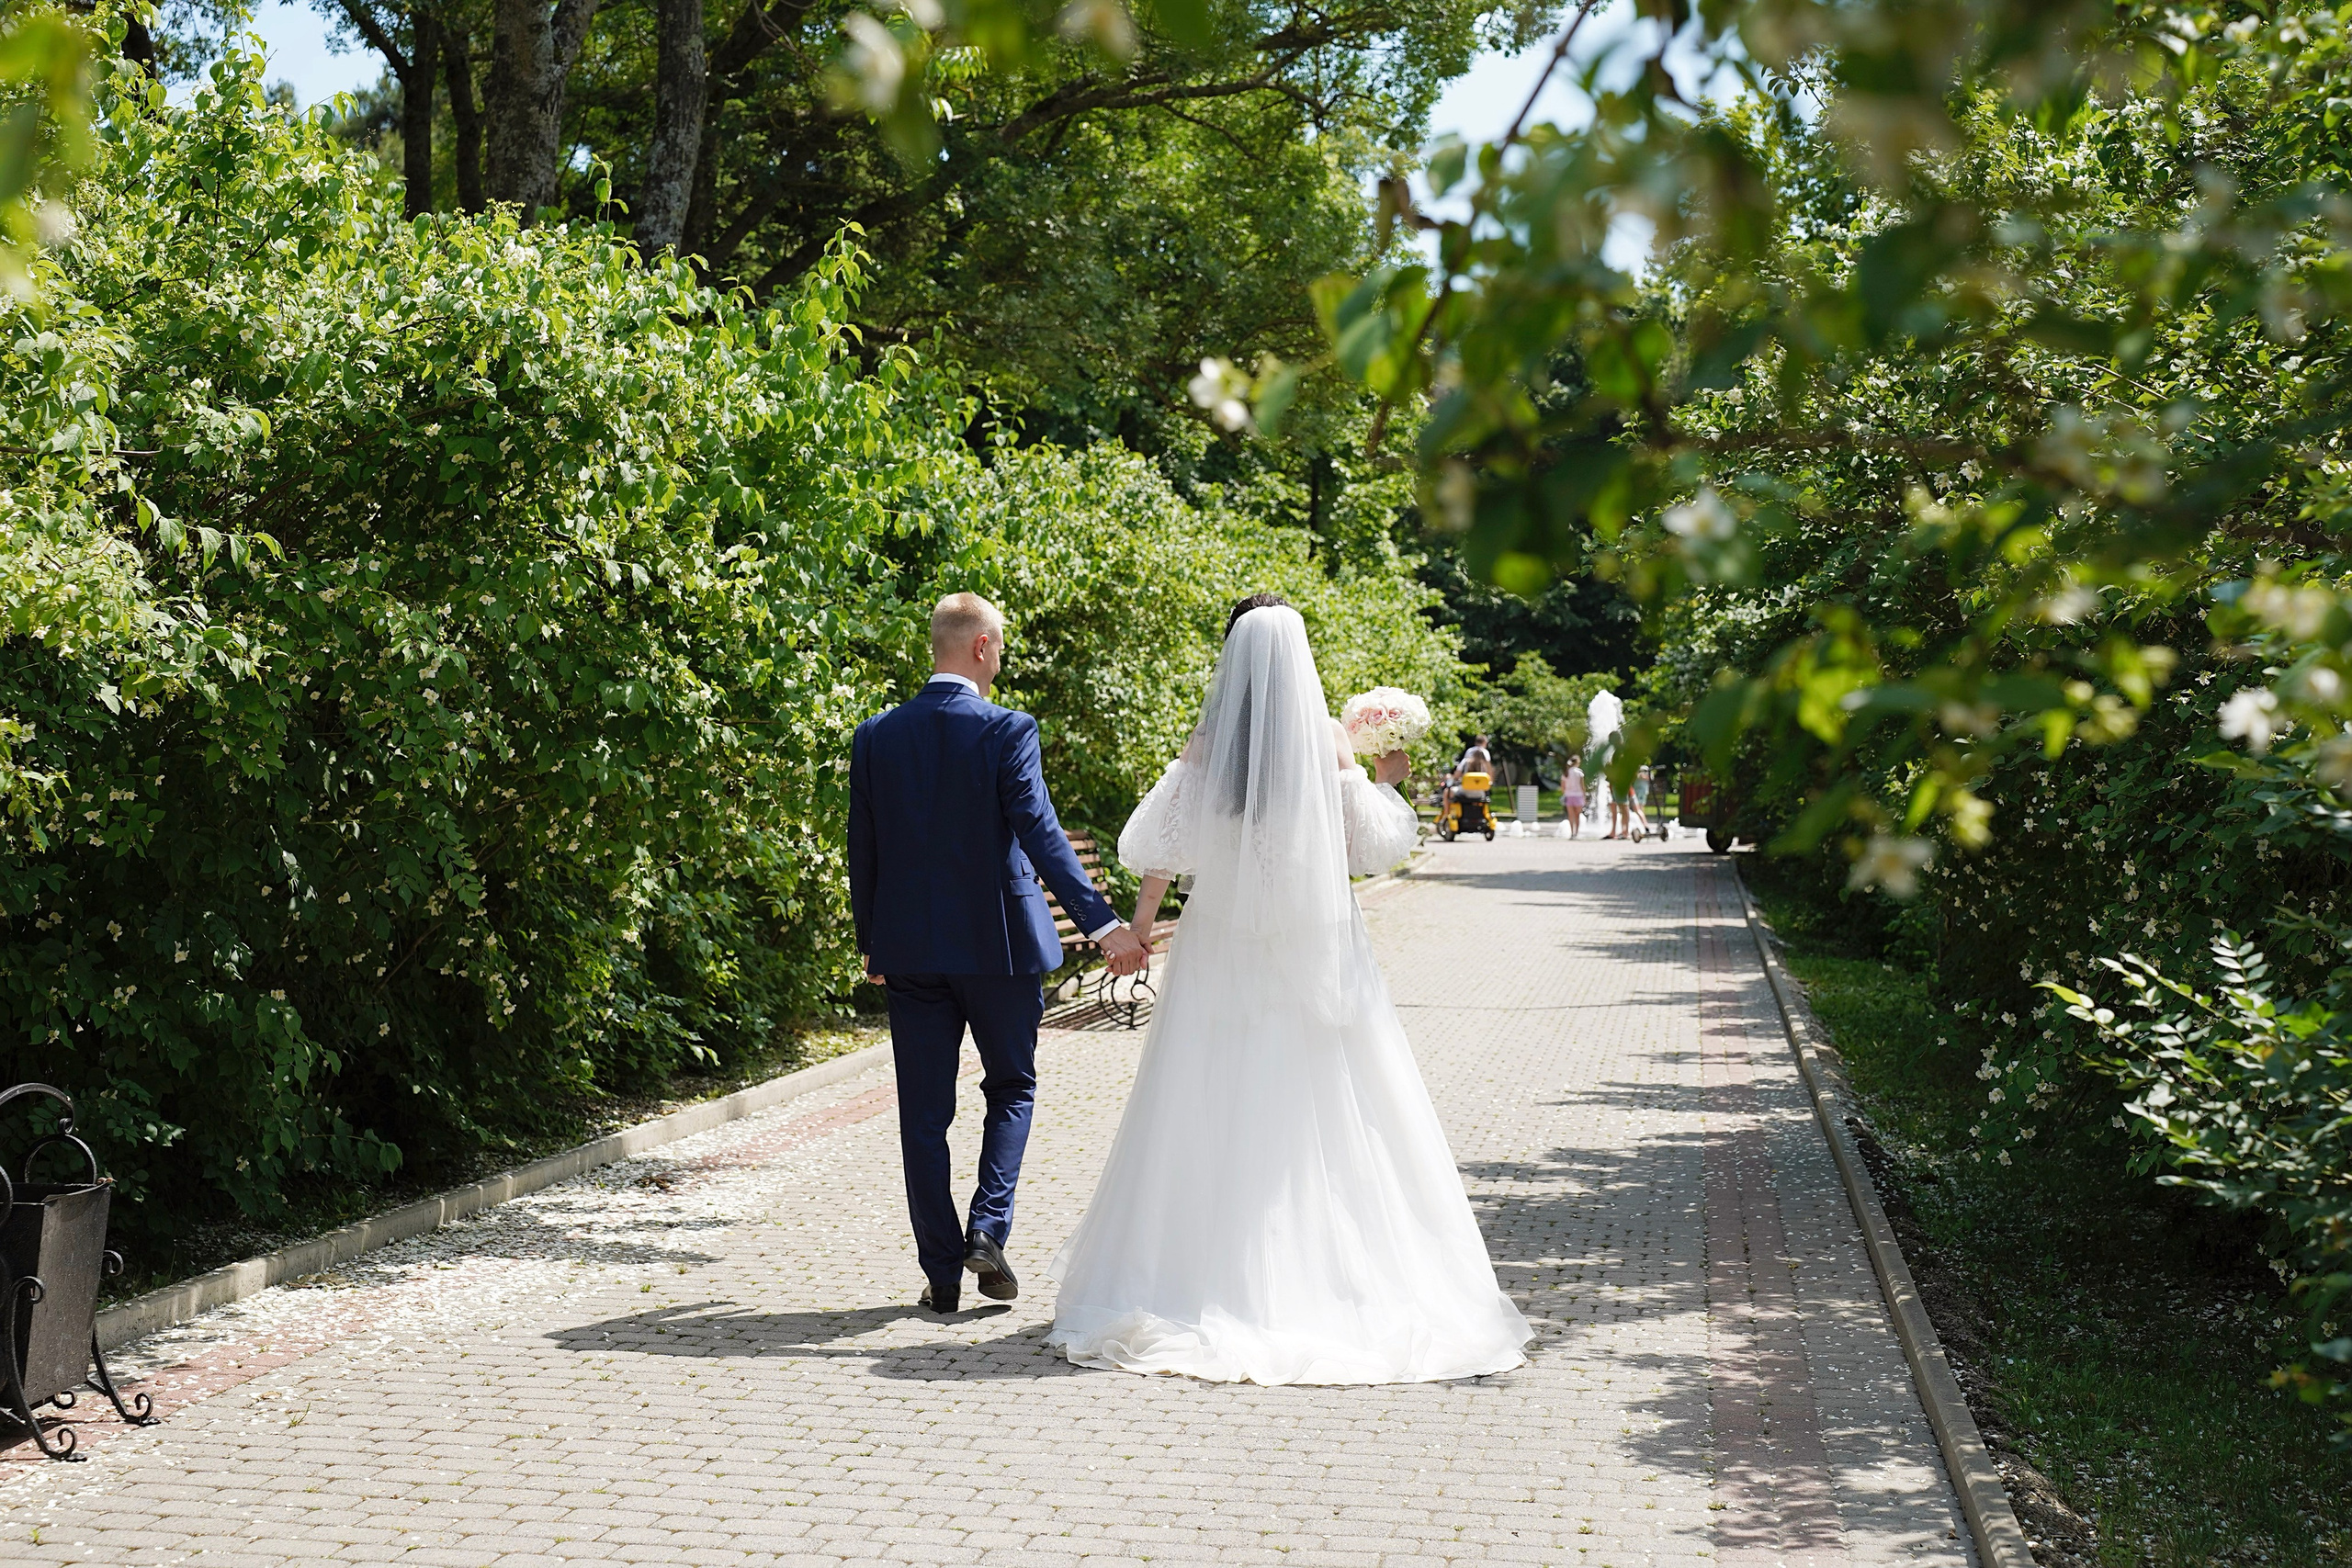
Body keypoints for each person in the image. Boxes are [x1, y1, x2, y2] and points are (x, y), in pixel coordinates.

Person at [1045, 594, 1532, 1384]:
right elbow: (1373, 847)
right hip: (1315, 938)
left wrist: (1134, 928)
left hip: (1222, 941)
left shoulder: (1209, 743)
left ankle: (1194, 1276)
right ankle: (1332, 1277)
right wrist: (1386, 778)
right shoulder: (1329, 740)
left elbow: (1156, 845)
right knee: (1329, 1095)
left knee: (1204, 1093)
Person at [849, 592, 1149, 1316]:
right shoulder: (1007, 729)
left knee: (923, 1113)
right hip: (1000, 949)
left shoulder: (876, 735)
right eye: (1002, 646)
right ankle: (987, 1229)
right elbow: (1040, 831)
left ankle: (941, 1273)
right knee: (1011, 1086)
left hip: (912, 954)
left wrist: (872, 944)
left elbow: (864, 849)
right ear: (982, 647)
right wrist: (1106, 926)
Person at [1561, 759, 1586, 839]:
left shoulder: (1565, 773)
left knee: (1571, 815)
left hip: (1569, 796)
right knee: (1577, 815)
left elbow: (1563, 787)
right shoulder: (1579, 773)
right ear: (1577, 763)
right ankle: (1576, 833)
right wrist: (1584, 796)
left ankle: (1572, 833)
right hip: (1578, 796)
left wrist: (1566, 793)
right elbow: (1582, 786)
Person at [1629, 764, 1653, 840]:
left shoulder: (1643, 769)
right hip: (1637, 792)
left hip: (1641, 793)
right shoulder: (1637, 770)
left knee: (1638, 810)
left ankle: (1646, 826)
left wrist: (1640, 775)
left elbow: (1649, 777)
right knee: (1639, 810)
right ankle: (1643, 826)